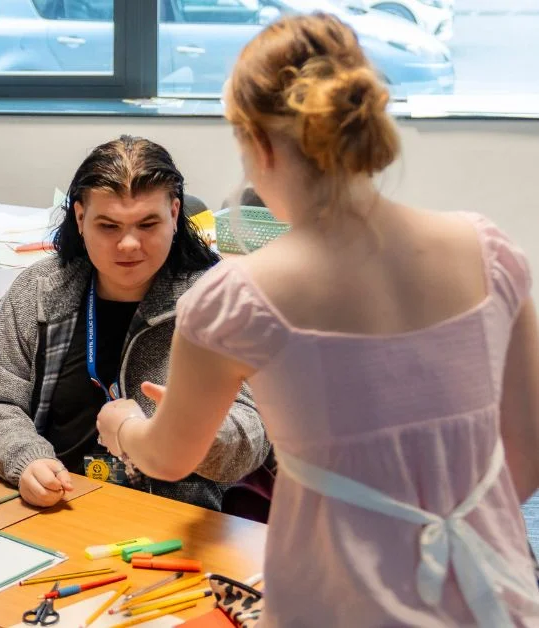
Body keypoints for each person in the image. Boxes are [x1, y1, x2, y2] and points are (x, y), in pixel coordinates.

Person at [97, 14, 539, 626]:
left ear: (256, 144)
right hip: (495, 590)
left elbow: (169, 457)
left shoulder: (236, 298)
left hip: (344, 602)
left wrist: (122, 426)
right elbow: (522, 468)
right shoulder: (491, 250)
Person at [0, 136, 270, 510]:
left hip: (172, 521)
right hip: (57, 508)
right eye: (109, 226)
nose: (128, 244)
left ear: (175, 215)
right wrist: (27, 459)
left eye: (147, 224)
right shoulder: (39, 290)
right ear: (80, 218)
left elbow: (252, 440)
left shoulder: (221, 301)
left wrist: (188, 432)